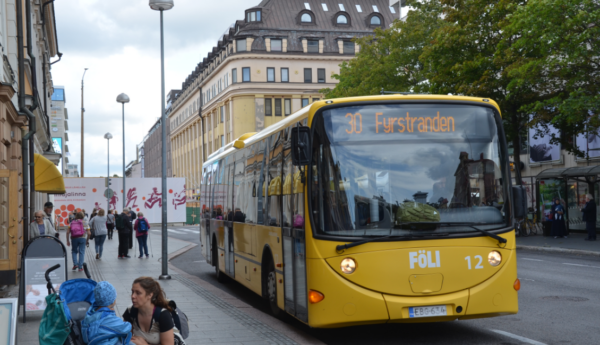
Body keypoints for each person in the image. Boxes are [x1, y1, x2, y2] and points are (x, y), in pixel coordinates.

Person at [123, 277, 183, 345]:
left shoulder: (163, 315)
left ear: (150, 295)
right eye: (132, 292)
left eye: (138, 293)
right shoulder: (130, 311)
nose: (133, 296)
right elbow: (125, 338)